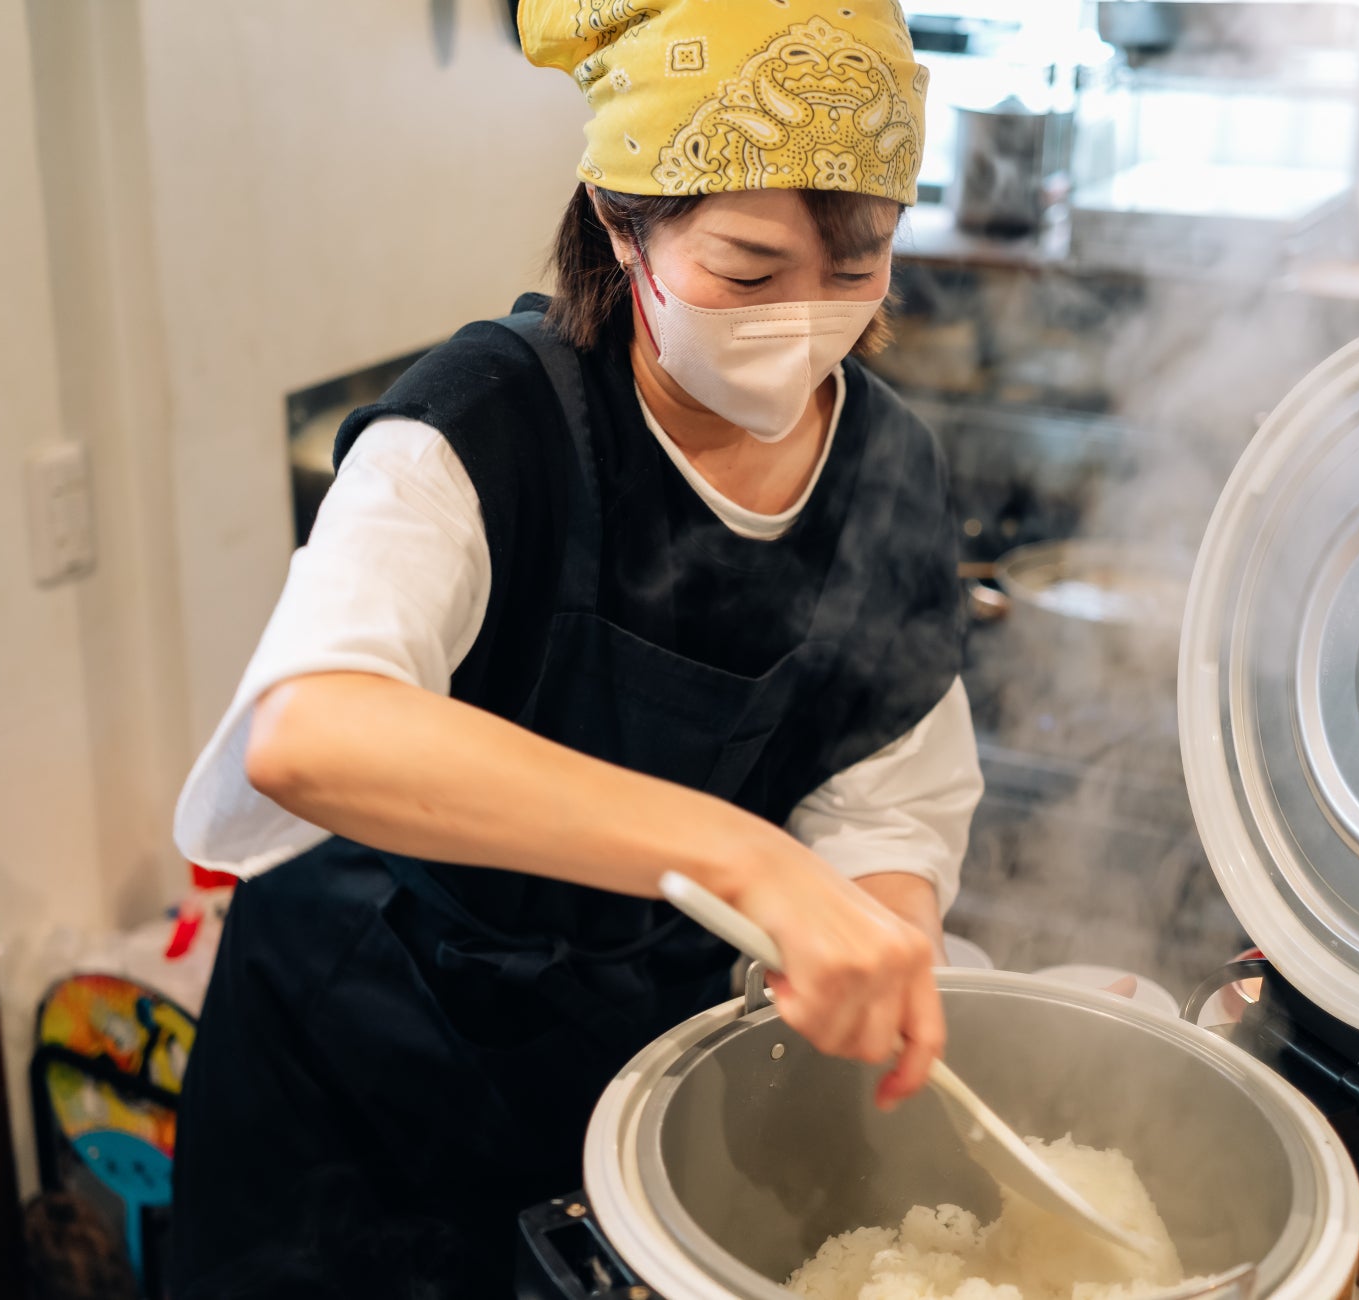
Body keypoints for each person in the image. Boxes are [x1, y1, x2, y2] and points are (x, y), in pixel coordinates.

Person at [167, 1, 981, 1293]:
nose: (806, 318)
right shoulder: (486, 416)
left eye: (859, 262)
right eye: (749, 272)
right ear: (619, 220)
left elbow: (889, 777)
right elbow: (312, 733)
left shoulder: (888, 463)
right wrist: (746, 858)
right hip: (358, 1081)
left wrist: (870, 928)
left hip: (629, 1068)